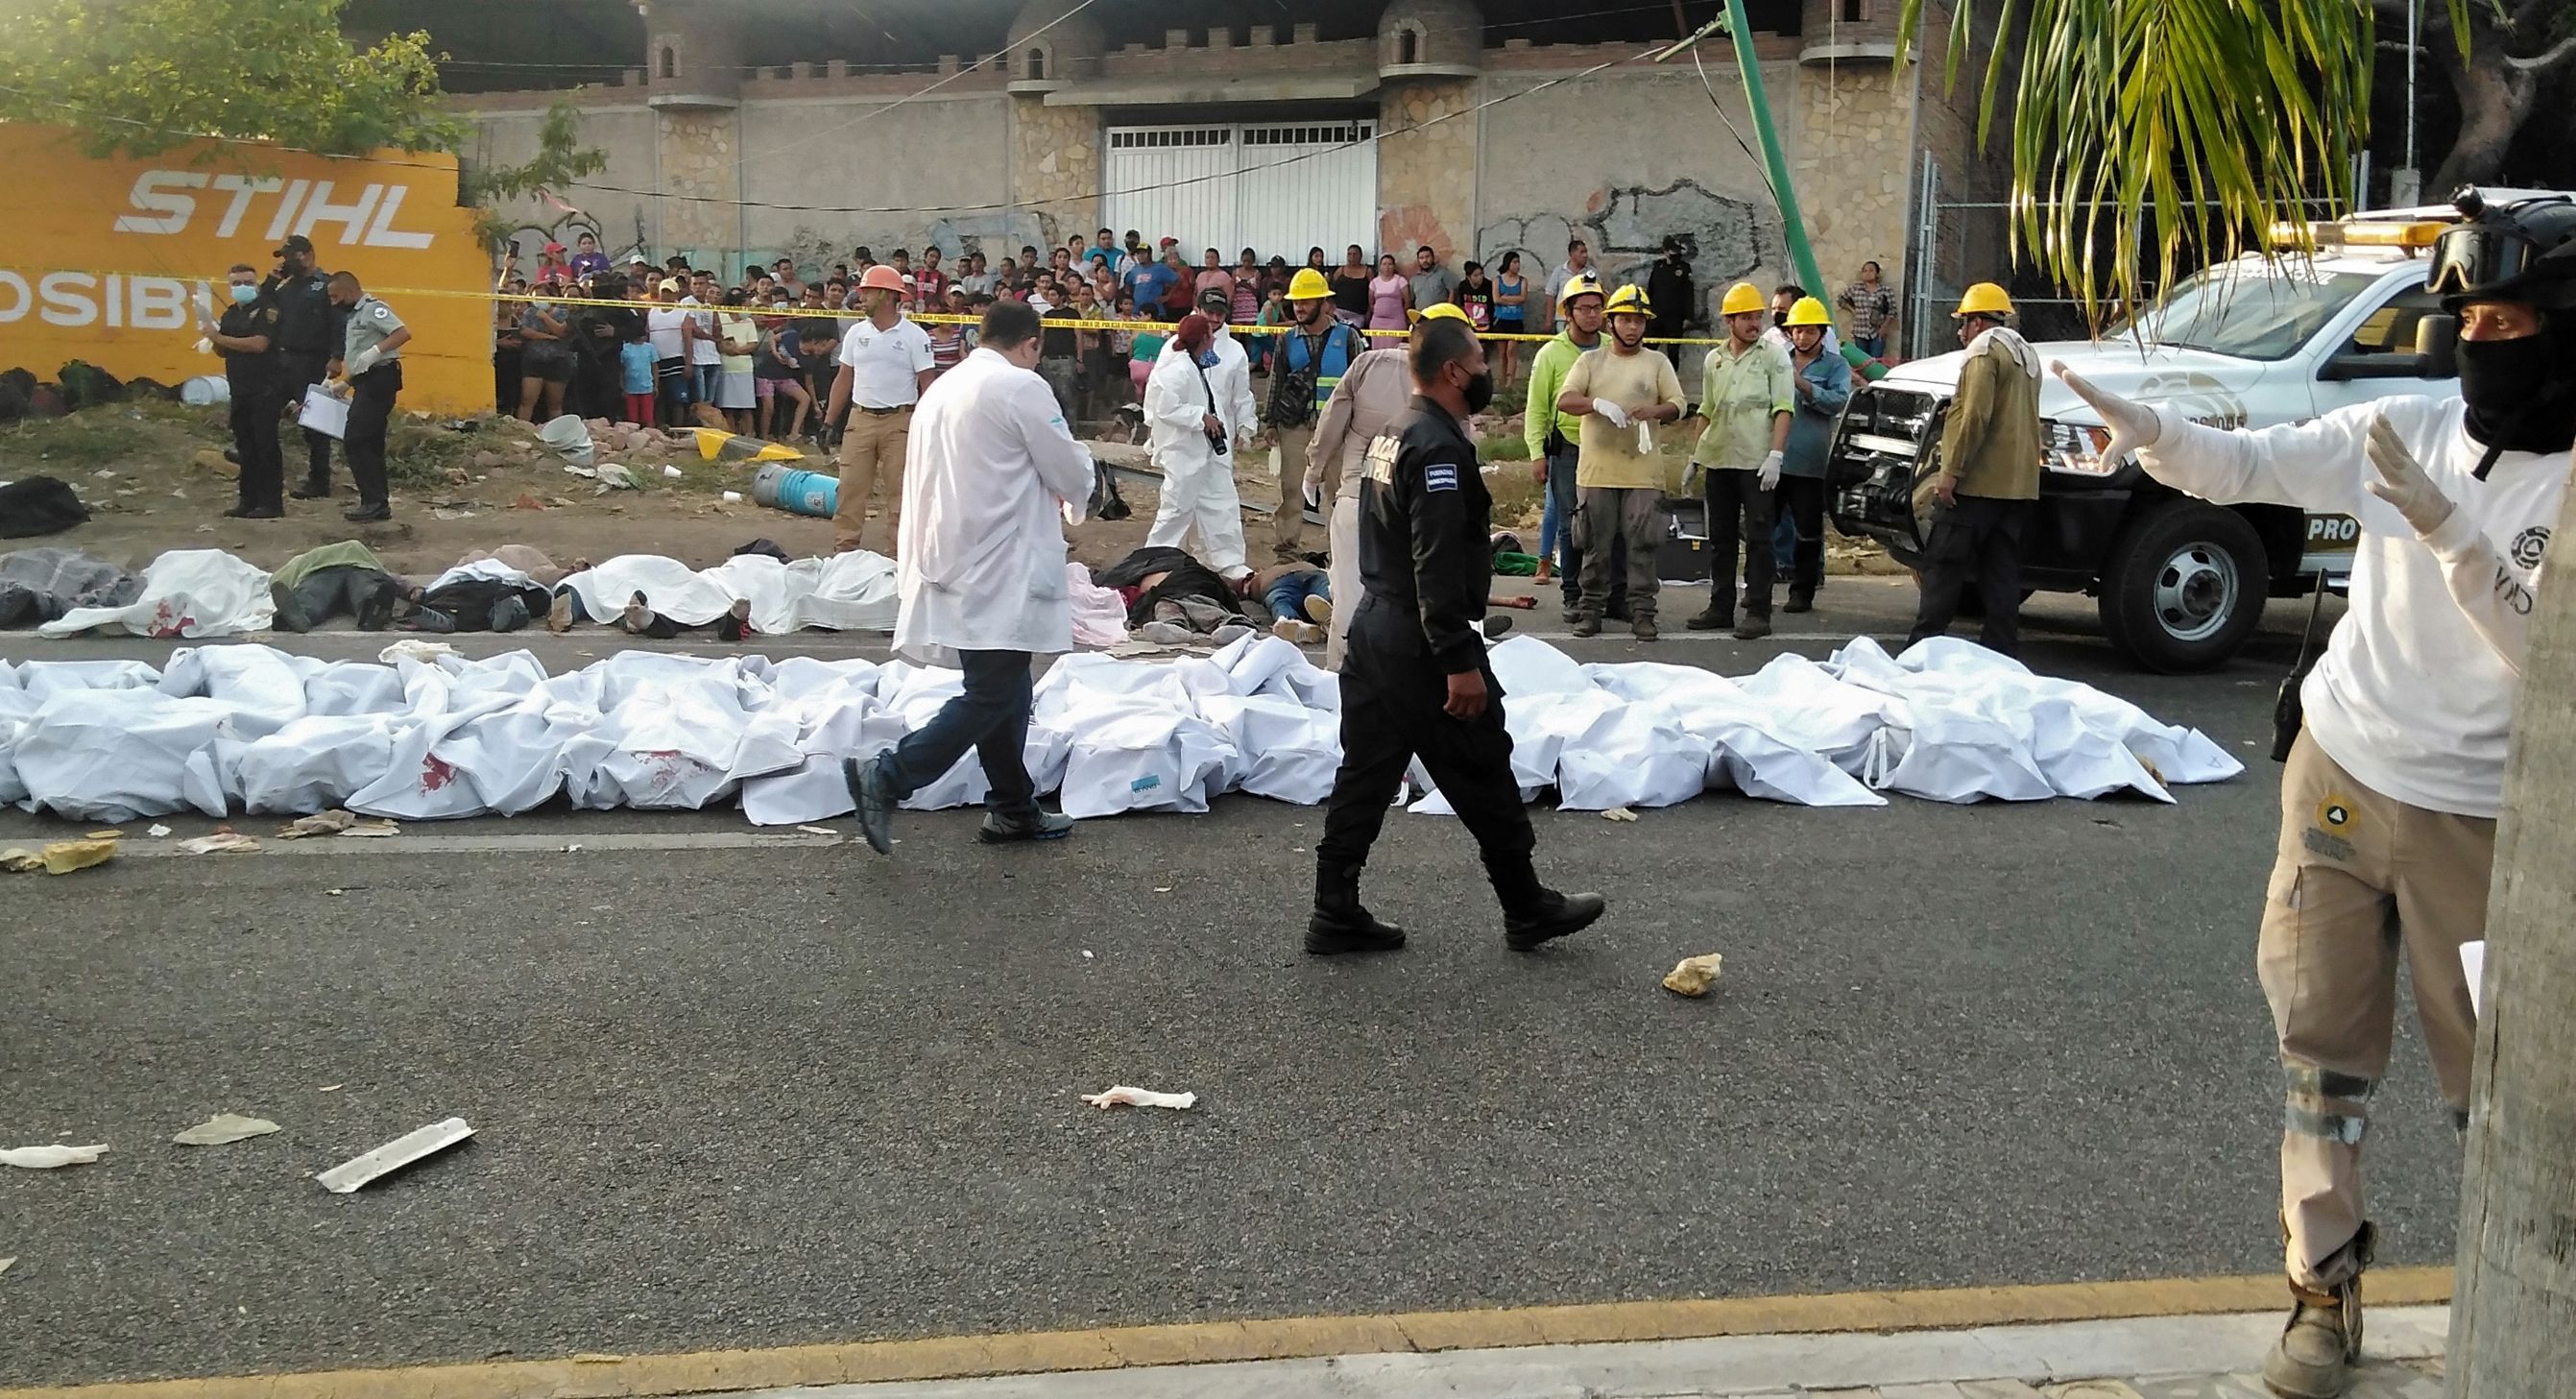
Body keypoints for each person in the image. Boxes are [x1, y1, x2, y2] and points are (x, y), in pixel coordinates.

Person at [2053, 194, 2576, 1399]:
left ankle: (2518, 1312)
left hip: (2483, 819)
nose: (2481, 343)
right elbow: (2248, 464)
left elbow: (2546, 661)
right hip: (2339, 774)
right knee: (2319, 1058)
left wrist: (2450, 534)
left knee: (2498, 1087)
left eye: (2508, 321)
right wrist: (2155, 435)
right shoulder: (2405, 425)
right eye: (2467, 321)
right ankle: (2320, 1287)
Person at [1307, 315, 1605, 957]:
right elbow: (1436, 561)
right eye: (1477, 366)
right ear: (1452, 372)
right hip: (1419, 638)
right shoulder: (1437, 446)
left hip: (1374, 629)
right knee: (1482, 763)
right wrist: (1458, 661)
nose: (1483, 376)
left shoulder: (1393, 432)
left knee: (1365, 771)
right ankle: (1525, 905)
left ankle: (1334, 908)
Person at [842, 299, 1095, 856]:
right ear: (1030, 343)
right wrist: (1087, 480)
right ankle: (888, 776)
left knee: (1008, 682)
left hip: (952, 557)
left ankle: (1013, 807)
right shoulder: (1020, 387)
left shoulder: (944, 388)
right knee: (991, 691)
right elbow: (1066, 467)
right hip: (999, 562)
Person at [1311, 303, 1471, 671]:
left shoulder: (1369, 364)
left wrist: (1314, 470)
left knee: (1349, 595)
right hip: (1415, 513)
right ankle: (1402, 676)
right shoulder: (1452, 386)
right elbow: (1461, 452)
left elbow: (1331, 423)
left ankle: (1340, 674)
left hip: (1357, 499)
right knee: (1410, 600)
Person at [1903, 283, 2041, 655]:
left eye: (1963, 322)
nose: (1960, 332)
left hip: (1977, 483)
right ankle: (2000, 651)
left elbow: (1976, 417)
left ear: (1977, 322)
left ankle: (1923, 646)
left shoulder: (1983, 351)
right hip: (2017, 485)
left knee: (1944, 565)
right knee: (2001, 572)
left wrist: (1951, 472)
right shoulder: (2025, 352)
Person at [1557, 284, 1687, 640]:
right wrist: (1596, 404)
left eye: (1639, 321)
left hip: (1643, 472)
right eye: (1625, 320)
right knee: (1595, 547)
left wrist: (1654, 411)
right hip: (1597, 472)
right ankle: (1590, 611)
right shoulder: (1590, 362)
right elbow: (1565, 399)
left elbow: (1678, 404)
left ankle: (1643, 613)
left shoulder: (1657, 362)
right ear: (1610, 322)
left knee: (1643, 546)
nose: (1632, 327)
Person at [1685, 281, 1794, 639]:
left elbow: (1783, 408)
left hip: (1756, 461)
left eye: (1757, 316)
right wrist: (1695, 457)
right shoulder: (1714, 360)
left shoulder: (1773, 357)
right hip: (1720, 459)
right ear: (1729, 321)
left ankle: (1758, 611)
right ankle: (1720, 607)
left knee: (1760, 538)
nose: (1753, 323)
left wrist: (1776, 454)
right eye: (1745, 317)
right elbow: (1707, 409)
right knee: (1721, 538)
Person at [1524, 273, 1620, 620]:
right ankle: (1573, 594)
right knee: (1571, 525)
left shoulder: (1612, 347)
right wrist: (1537, 454)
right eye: (1584, 308)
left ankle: (1608, 595)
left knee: (1609, 524)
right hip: (1568, 447)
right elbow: (1537, 407)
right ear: (1568, 312)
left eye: (1597, 308)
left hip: (1609, 446)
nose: (1592, 315)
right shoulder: (1551, 353)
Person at [826, 264, 936, 555]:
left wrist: (927, 426)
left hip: (900, 422)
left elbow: (927, 384)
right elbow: (844, 378)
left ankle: (898, 556)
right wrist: (828, 422)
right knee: (849, 489)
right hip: (860, 418)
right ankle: (845, 551)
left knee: (901, 492)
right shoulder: (856, 333)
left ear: (887, 296)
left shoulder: (915, 336)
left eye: (868, 292)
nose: (860, 297)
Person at [1144, 300, 1259, 578]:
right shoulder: (1177, 367)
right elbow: (1164, 407)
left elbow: (1238, 394)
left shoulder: (1201, 363)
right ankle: (1154, 563)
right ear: (1203, 338)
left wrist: (1244, 426)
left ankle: (1229, 562)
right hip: (1183, 451)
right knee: (1177, 509)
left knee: (1221, 502)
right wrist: (1200, 417)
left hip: (1208, 450)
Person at [1266, 268, 1364, 564]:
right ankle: (1286, 553)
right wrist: (1270, 422)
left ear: (1323, 303)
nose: (1299, 307)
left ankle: (1341, 555)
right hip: (1295, 427)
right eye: (1296, 302)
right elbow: (1276, 380)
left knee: (1339, 494)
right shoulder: (1287, 340)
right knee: (1291, 491)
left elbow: (1360, 384)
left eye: (1305, 302)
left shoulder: (1348, 337)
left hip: (1336, 430)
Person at [1776, 297, 1852, 614]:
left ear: (1822, 333)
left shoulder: (1836, 366)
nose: (1803, 337)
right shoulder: (1777, 359)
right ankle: (1757, 591)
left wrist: (1803, 385)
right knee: (1762, 528)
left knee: (1807, 532)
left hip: (1810, 463)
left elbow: (1838, 401)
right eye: (1797, 331)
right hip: (1774, 459)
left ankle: (1802, 592)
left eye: (1810, 331)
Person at [261, 234, 345, 501]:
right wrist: (271, 280)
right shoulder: (286, 288)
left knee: (314, 424)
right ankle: (258, 464)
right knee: (264, 408)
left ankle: (319, 480)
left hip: (312, 360)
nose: (287, 262)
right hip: (284, 359)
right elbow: (264, 306)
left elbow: (339, 322)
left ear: (307, 255)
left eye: (291, 257)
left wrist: (337, 356)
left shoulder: (325, 286)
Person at [202, 263, 284, 519]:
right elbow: (222, 350)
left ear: (256, 284)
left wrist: (220, 338)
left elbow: (259, 344)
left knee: (265, 446)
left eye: (247, 282)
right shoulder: (230, 314)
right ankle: (247, 500)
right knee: (245, 447)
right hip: (239, 388)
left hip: (265, 388)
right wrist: (211, 336)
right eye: (236, 283)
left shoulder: (266, 310)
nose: (242, 287)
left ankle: (271, 503)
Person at [325, 270, 407, 523]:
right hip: (367, 380)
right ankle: (376, 502)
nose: (333, 302)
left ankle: (374, 501)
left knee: (356, 438)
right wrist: (346, 383)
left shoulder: (373, 309)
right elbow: (360, 361)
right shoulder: (353, 316)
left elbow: (402, 333)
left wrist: (376, 351)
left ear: (349, 291)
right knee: (370, 441)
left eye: (335, 296)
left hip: (381, 379)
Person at [515, 284, 573, 423]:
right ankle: (521, 429)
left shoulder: (563, 313)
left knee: (554, 404)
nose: (539, 299)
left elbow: (561, 332)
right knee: (527, 399)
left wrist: (545, 317)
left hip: (557, 362)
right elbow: (525, 331)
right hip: (533, 361)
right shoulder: (530, 312)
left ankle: (556, 432)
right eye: (536, 296)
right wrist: (547, 336)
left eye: (543, 296)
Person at [755, 302, 811, 440]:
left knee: (805, 398)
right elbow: (773, 338)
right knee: (769, 407)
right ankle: (764, 437)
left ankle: (794, 433)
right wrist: (775, 352)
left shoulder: (809, 356)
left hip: (784, 377)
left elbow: (808, 379)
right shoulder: (791, 334)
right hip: (766, 373)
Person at [646, 278, 694, 428]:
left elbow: (688, 340)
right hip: (656, 361)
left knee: (678, 399)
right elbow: (647, 335)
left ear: (675, 294)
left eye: (669, 292)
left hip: (676, 360)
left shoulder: (683, 313)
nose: (666, 296)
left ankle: (677, 429)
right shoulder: (652, 312)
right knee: (658, 397)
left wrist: (688, 364)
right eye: (664, 292)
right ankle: (661, 427)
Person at [1645, 237, 1697, 368]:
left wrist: (1689, 316)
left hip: (1675, 318)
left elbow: (1688, 294)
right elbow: (1651, 290)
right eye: (1673, 251)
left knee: (1673, 351)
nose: (1676, 254)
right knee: (1648, 349)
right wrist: (1646, 312)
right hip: (1656, 316)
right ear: (1666, 251)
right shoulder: (1658, 267)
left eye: (1678, 251)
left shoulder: (1684, 268)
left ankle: (1671, 376)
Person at [1840, 260, 1899, 359]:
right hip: (1860, 331)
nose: (1868, 273)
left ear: (1877, 274)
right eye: (1865, 271)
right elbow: (1841, 300)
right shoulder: (1856, 289)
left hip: (1878, 332)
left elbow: (1892, 310)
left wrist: (1884, 327)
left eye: (1871, 271)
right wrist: (1853, 310)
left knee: (1875, 361)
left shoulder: (1885, 291)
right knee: (1862, 360)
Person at [1492, 251, 1529, 395]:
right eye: (1514, 262)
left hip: (1516, 320)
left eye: (1518, 262)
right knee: (1502, 353)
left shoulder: (1523, 281)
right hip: (1501, 319)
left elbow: (1523, 298)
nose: (1517, 265)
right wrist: (1513, 299)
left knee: (1511, 351)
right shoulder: (1497, 280)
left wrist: (1506, 298)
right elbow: (1496, 299)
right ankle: (1502, 381)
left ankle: (1510, 383)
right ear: (1508, 263)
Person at [1543, 237, 1595, 333]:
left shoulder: (1591, 272)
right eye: (1582, 252)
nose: (1585, 255)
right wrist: (1548, 320)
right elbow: (1550, 294)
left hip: (1584, 318)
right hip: (1563, 318)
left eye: (1586, 252)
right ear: (1572, 254)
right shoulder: (1559, 271)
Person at [1407, 244, 1457, 316]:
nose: (1425, 260)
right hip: (1422, 317)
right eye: (1421, 258)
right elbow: (1411, 300)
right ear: (1418, 260)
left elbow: (1452, 292)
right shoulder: (1414, 279)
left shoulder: (1443, 272)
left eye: (1427, 257)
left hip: (1440, 316)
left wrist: (1448, 311)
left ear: (1433, 258)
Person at [1330, 244, 1374, 326]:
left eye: (1355, 254)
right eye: (1349, 254)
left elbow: (1372, 292)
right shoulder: (1340, 271)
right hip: (1339, 311)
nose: (1352, 257)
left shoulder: (1368, 272)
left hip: (1358, 313)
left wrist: (1369, 311)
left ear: (1360, 256)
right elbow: (1332, 290)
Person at [1366, 253, 1410, 334]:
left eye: (1390, 264)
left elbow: (1407, 302)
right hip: (1377, 321)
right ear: (1380, 266)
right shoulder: (1374, 282)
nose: (1387, 267)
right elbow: (1371, 303)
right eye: (1384, 264)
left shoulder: (1400, 281)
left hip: (1396, 320)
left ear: (1394, 266)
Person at [1455, 260, 1495, 330]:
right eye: (1475, 275)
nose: (1480, 277)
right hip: (1469, 322)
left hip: (1486, 323)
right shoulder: (1463, 286)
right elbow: (1461, 304)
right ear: (1468, 277)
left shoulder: (1489, 285)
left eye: (1481, 274)